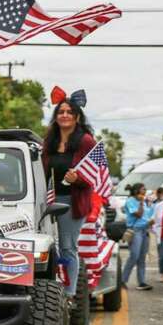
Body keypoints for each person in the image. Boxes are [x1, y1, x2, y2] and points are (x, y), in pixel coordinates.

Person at [40, 89, 97, 298]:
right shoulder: (49, 142)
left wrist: (78, 179)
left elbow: (94, 177)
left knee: (67, 246)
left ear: (77, 117)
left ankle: (70, 293)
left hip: (73, 202)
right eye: (61, 112)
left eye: (69, 112)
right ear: (56, 117)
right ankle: (52, 287)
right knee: (48, 246)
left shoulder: (86, 141)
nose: (64, 115)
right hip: (49, 202)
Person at [119, 183, 154, 290]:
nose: (145, 191)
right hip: (136, 231)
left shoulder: (145, 202)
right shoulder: (131, 201)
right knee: (134, 256)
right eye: (143, 189)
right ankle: (122, 280)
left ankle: (142, 281)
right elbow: (138, 214)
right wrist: (142, 203)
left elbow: (148, 215)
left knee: (142, 258)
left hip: (145, 230)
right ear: (137, 191)